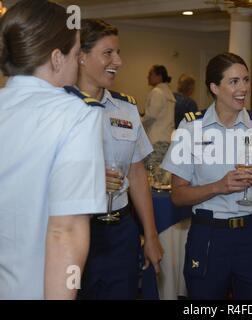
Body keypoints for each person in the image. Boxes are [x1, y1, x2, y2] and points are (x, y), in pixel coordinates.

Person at [0, 0, 106, 299]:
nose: (79, 61)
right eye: (76, 54)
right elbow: (67, 231)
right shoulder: (75, 115)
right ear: (57, 58)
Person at [161, 52, 252, 299]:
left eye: (246, 80)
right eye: (234, 82)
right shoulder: (190, 127)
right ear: (214, 87)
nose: (243, 88)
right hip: (208, 234)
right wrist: (219, 186)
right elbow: (177, 195)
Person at [77, 19, 163, 300]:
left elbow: (137, 173)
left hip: (121, 233)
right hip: (77, 230)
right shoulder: (58, 109)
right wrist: (86, 179)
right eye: (108, 53)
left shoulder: (125, 108)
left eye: (118, 52)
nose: (119, 61)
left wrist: (150, 236)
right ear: (80, 56)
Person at [141, 65, 176, 173]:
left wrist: (137, 123)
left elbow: (150, 116)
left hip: (155, 141)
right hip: (167, 140)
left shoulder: (157, 92)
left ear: (159, 76)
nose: (148, 76)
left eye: (151, 74)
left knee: (151, 175)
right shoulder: (169, 93)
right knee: (160, 176)